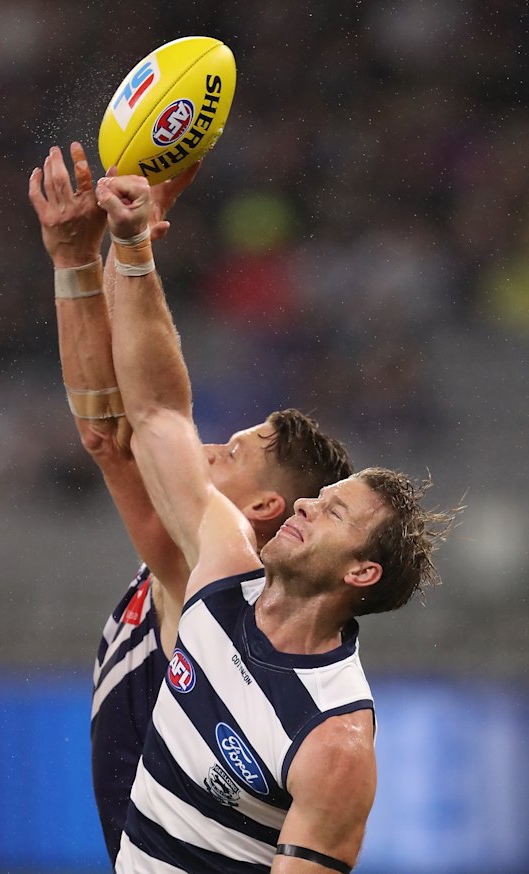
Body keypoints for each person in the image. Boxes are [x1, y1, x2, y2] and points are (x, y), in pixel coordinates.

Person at [95, 171, 458, 874]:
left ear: (361, 571)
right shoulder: (224, 568)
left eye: (331, 512)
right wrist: (133, 249)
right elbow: (158, 416)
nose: (301, 504)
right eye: (315, 497)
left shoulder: (335, 743)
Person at [28, 144, 354, 865]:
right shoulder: (201, 570)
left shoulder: (213, 581)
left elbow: (116, 430)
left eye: (230, 453)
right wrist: (99, 251)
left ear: (267, 508)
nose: (207, 451)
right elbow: (113, 424)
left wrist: (91, 256)